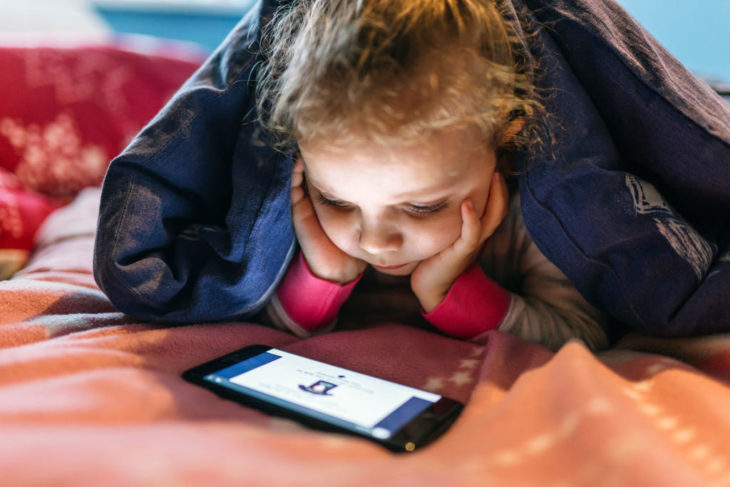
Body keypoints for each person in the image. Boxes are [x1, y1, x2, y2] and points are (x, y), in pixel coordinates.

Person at [255, 0, 609, 351]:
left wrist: (451, 288)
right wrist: (324, 275)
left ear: (504, 149)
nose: (375, 242)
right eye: (336, 201)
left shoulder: (535, 220)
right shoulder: (301, 212)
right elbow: (252, 332)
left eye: (422, 206)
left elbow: (581, 337)